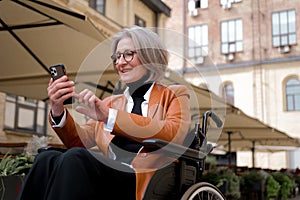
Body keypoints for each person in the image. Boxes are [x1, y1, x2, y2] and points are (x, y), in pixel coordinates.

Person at [17, 26, 191, 200]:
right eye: (117, 57)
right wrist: (57, 109)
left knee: (76, 158)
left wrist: (110, 116)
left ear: (150, 57)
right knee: (46, 158)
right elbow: (79, 141)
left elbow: (173, 133)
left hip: (144, 176)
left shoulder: (175, 94)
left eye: (128, 54)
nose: (120, 63)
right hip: (108, 174)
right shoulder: (110, 103)